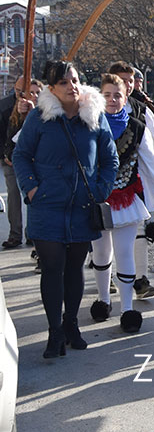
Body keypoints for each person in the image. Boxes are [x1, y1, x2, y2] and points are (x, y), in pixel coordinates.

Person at [12, 61, 118, 358]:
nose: (72, 86)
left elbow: (110, 159)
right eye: (63, 83)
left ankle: (72, 325)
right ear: (51, 89)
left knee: (74, 268)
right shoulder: (39, 117)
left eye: (74, 80)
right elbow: (21, 155)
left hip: (83, 205)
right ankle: (54, 331)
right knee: (52, 268)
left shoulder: (94, 116)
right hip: (48, 206)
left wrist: (100, 189)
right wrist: (32, 188)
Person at [87, 74, 154, 333]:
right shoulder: (89, 123)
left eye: (117, 95)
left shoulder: (137, 127)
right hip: (97, 202)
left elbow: (151, 166)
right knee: (101, 254)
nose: (112, 100)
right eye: (107, 95)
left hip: (125, 200)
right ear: (100, 96)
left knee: (124, 253)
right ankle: (103, 300)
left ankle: (127, 308)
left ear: (126, 97)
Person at [108, 61, 154, 299]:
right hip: (105, 184)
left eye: (131, 80)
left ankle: (140, 279)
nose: (128, 85)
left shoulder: (143, 111)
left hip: (135, 179)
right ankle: (109, 276)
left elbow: (153, 152)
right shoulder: (96, 111)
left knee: (138, 230)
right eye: (123, 80)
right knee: (107, 231)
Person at [2, 77, 43, 249]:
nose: (32, 96)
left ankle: (32, 234)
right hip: (12, 162)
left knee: (35, 198)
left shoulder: (45, 112)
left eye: (36, 93)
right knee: (14, 196)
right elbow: (9, 137)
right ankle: (15, 234)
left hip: (37, 164)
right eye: (28, 92)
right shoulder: (7, 108)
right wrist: (6, 155)